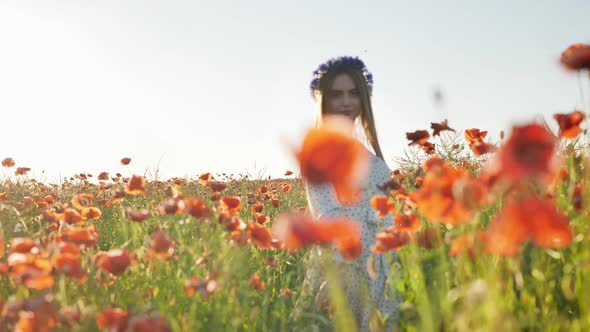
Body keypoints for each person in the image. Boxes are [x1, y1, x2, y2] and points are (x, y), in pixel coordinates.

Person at [293, 56, 401, 331]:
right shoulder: (318, 155)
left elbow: (387, 219)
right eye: (337, 94)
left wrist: (392, 264)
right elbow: (327, 215)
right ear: (324, 101)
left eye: (354, 93)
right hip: (340, 267)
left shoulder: (376, 163)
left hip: (377, 273)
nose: (346, 102)